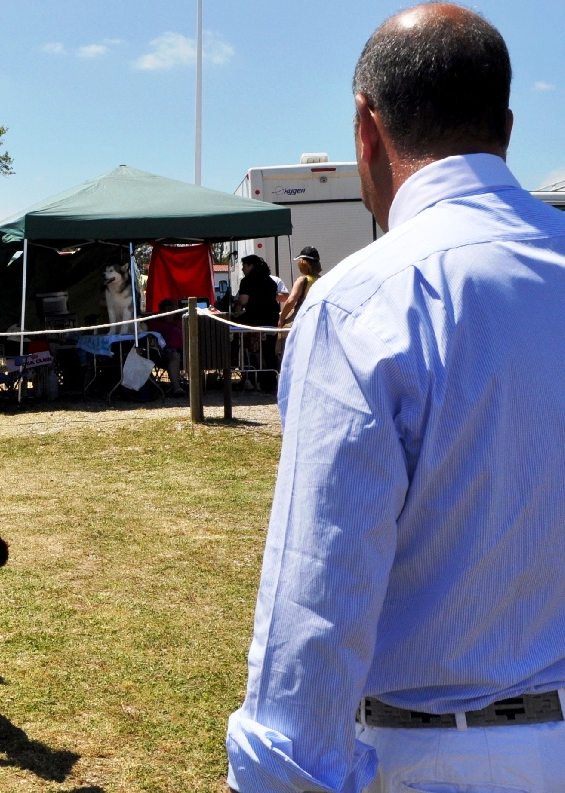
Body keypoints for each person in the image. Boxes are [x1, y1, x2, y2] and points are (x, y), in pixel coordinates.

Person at [227, 4, 565, 792]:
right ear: (506, 126)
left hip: (433, 758)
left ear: (365, 129)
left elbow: (316, 604)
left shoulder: (361, 302)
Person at [233, 255, 279, 391]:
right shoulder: (270, 281)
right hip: (271, 319)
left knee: (251, 351)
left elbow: (243, 301)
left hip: (254, 320)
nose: (242, 269)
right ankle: (270, 383)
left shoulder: (247, 281)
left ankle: (251, 378)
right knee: (269, 352)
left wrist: (235, 303)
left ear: (251, 266)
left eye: (244, 266)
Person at [146, 298, 185, 396]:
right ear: (161, 311)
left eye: (170, 309)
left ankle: (202, 386)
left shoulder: (182, 321)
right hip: (165, 352)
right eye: (165, 309)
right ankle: (176, 388)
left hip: (184, 350)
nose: (168, 312)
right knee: (174, 356)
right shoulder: (155, 323)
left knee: (197, 353)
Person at [277, 245, 322, 328]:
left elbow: (291, 301)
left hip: (301, 319)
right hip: (317, 319)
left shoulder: (302, 280)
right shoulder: (323, 280)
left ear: (303, 264)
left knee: (283, 336)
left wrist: (282, 318)